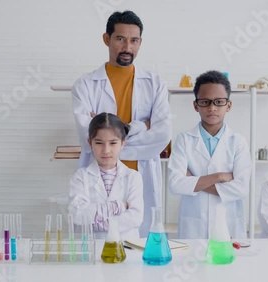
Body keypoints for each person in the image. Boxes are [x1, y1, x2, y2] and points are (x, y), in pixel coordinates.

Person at [72, 10, 171, 237]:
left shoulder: (155, 84)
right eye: (120, 39)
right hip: (99, 175)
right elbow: (86, 137)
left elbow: (162, 135)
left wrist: (109, 138)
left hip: (140, 175)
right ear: (107, 39)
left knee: (140, 246)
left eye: (134, 40)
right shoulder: (85, 85)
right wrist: (142, 126)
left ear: (140, 42)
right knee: (97, 240)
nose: (128, 47)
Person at [168, 70, 251, 239]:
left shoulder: (238, 141)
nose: (212, 108)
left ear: (228, 105)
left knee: (229, 264)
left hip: (229, 224)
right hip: (194, 227)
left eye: (219, 102)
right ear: (195, 105)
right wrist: (219, 176)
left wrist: (193, 181)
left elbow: (241, 189)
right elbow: (175, 185)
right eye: (205, 102)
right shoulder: (184, 140)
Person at [68, 113, 144, 240]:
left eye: (113, 143)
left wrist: (96, 221)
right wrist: (118, 206)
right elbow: (77, 214)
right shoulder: (81, 176)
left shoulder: (133, 177)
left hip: (125, 246)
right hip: (91, 248)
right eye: (99, 143)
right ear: (90, 142)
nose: (106, 150)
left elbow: (135, 218)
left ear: (123, 143)